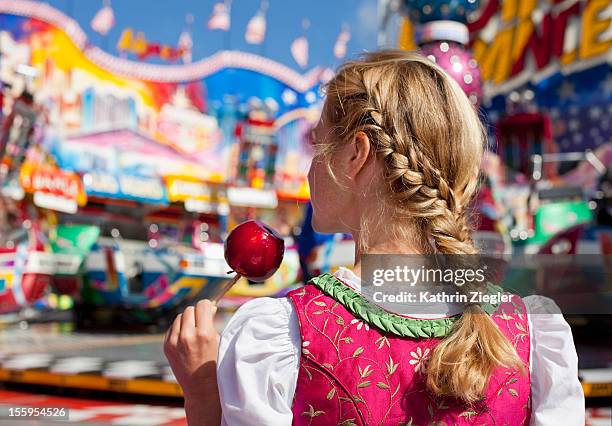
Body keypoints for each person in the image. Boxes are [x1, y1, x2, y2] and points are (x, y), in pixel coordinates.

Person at [164, 50, 584, 425]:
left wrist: (202, 391)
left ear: (355, 154)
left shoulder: (284, 331)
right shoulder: (531, 331)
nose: (310, 167)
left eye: (319, 144)